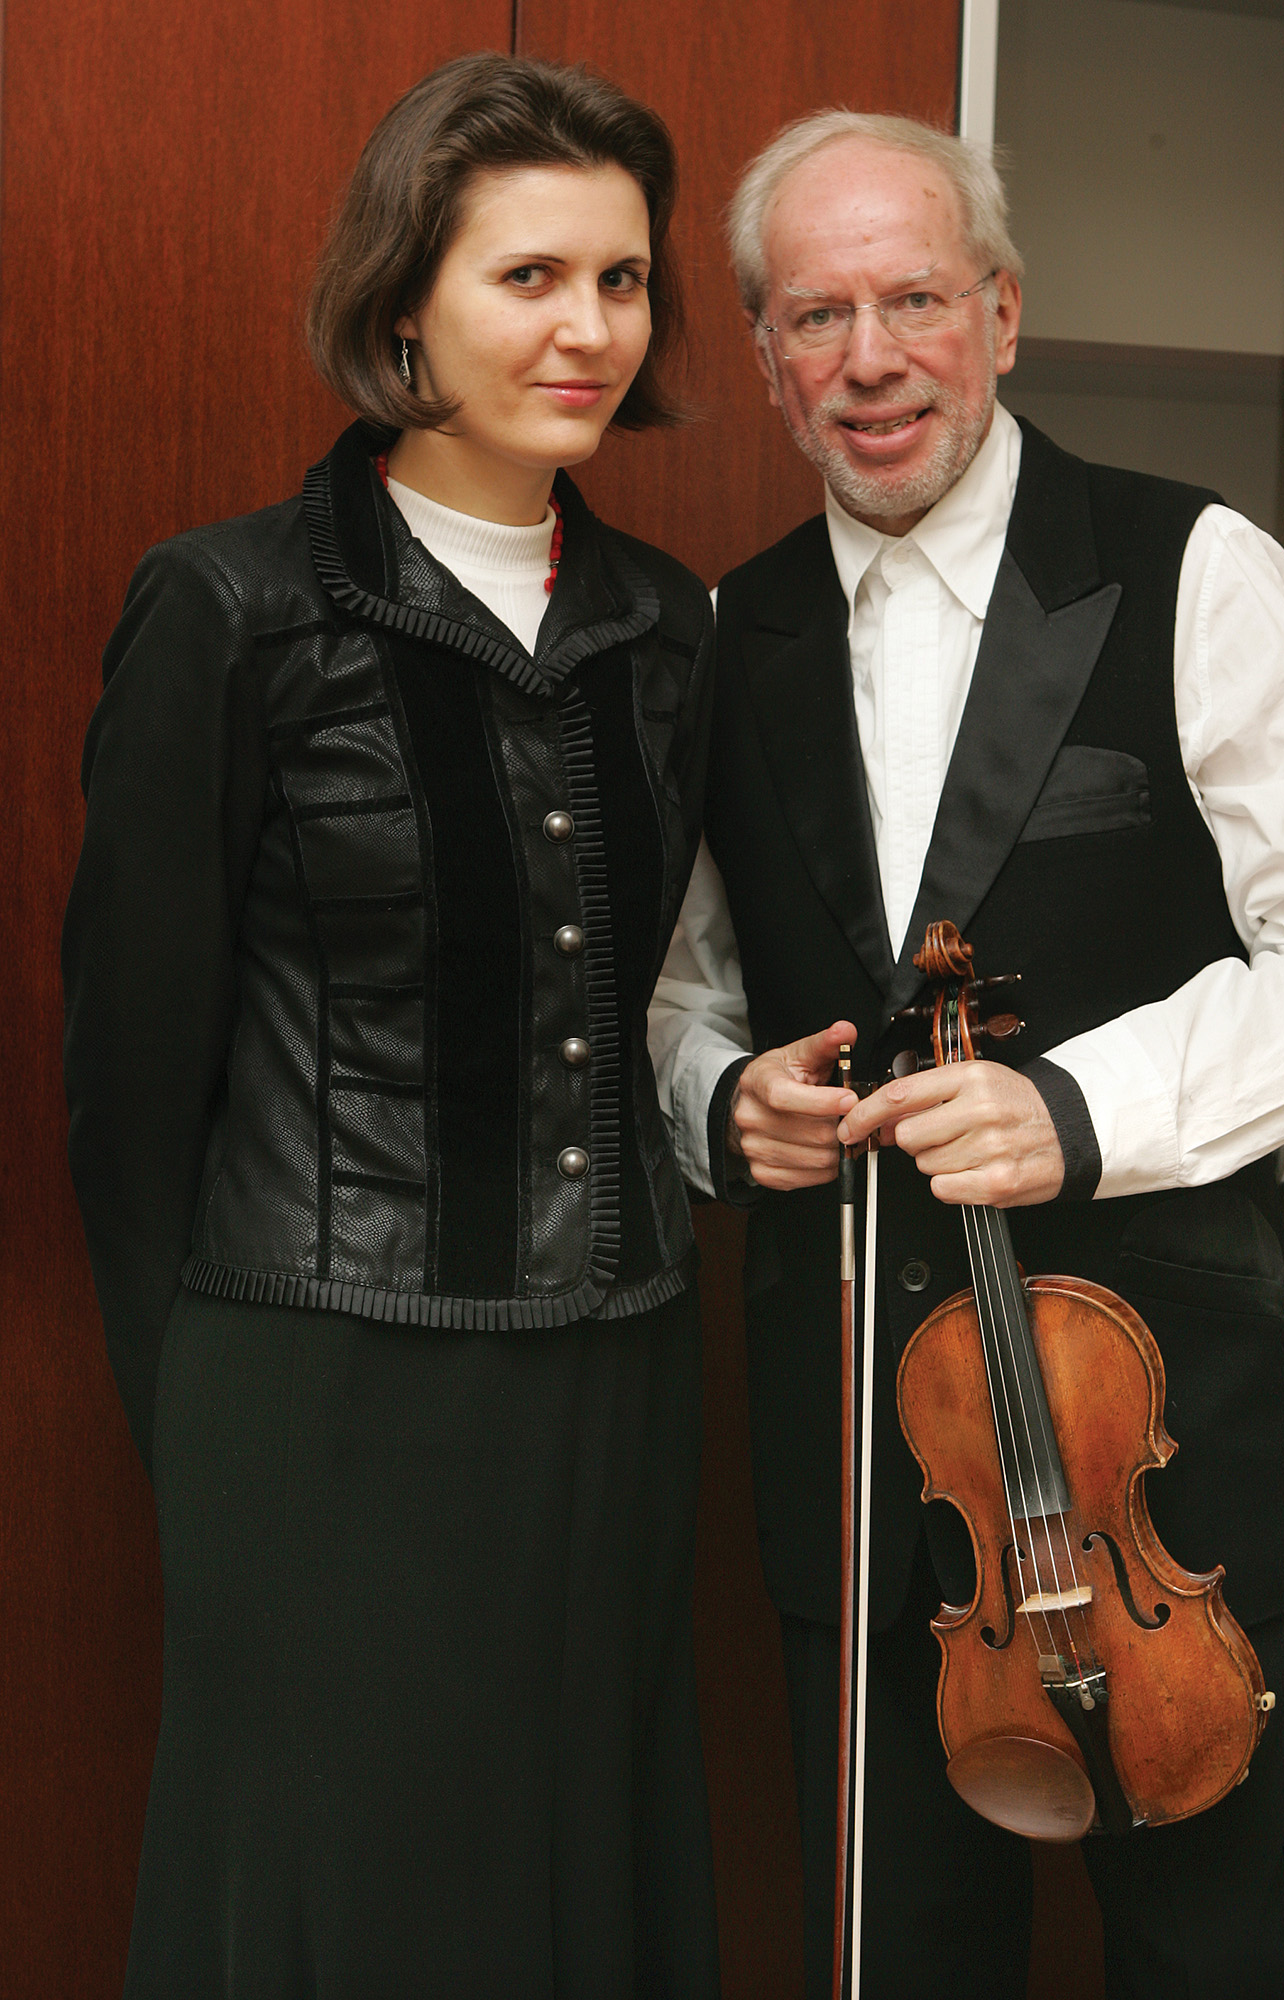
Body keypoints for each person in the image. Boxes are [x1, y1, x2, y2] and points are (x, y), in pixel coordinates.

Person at [650, 110, 1284, 1998]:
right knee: (897, 1944)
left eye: (915, 300)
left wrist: (1076, 1109)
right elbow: (685, 993)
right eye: (817, 316)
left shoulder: (1196, 567)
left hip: (1148, 1441)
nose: (872, 359)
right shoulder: (725, 633)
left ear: (1001, 312)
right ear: (765, 355)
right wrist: (716, 1095)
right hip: (866, 1442)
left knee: (1212, 1941)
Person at [63, 53, 720, 1999]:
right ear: (403, 301)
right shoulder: (231, 607)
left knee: (575, 1874)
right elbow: (130, 1084)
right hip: (314, 1390)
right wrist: (198, 1428)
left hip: (614, 1371)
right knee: (337, 1899)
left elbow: (641, 995)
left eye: (621, 279)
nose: (589, 327)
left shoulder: (667, 625)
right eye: (530, 276)